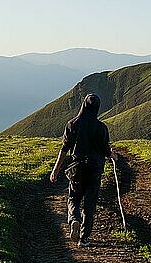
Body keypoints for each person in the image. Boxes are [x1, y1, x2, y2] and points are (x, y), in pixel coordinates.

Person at [49, 93, 117, 247]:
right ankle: (84, 238)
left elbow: (64, 149)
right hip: (95, 169)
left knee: (73, 198)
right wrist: (113, 155)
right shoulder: (101, 128)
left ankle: (74, 219)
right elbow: (105, 150)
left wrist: (55, 171)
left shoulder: (72, 124)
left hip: (77, 168)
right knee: (90, 203)